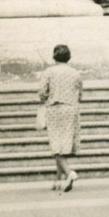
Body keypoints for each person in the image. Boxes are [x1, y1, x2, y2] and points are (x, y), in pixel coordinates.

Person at [38, 44, 83, 192]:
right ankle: (57, 180)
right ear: (68, 57)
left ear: (54, 56)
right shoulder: (75, 73)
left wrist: (44, 100)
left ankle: (70, 173)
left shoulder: (49, 72)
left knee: (56, 144)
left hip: (54, 108)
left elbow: (42, 93)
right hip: (70, 109)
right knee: (63, 143)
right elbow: (80, 93)